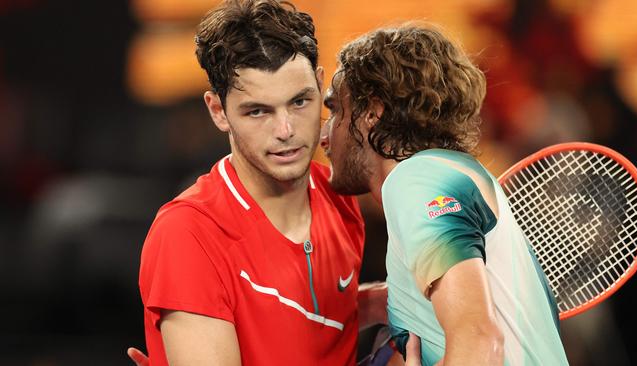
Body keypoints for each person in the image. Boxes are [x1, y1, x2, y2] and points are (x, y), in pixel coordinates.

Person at [134, 0, 389, 365]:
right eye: (258, 111)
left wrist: (371, 304)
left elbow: (296, 321)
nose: (286, 131)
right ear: (218, 111)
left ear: (321, 86)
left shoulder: (339, 197)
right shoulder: (188, 234)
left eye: (300, 102)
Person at [320, 24, 570, 365]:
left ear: (371, 113)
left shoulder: (415, 180)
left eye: (335, 110)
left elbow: (480, 345)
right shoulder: (443, 173)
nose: (324, 134)